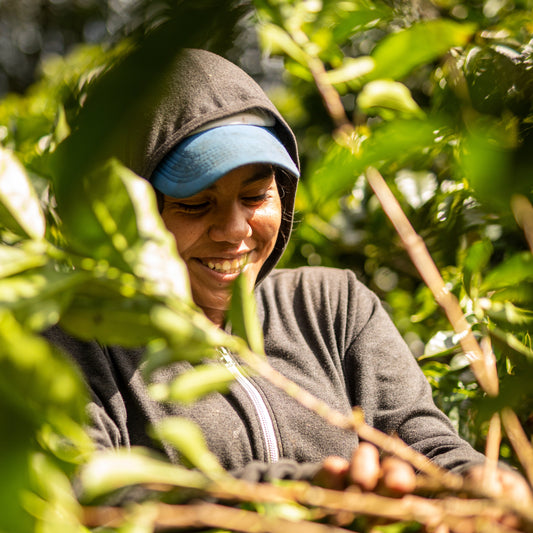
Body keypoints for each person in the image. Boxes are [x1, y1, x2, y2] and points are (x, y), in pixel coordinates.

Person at [44, 48, 531, 500]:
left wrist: (480, 484)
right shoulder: (79, 343)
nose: (235, 231)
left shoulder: (332, 306)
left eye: (256, 196)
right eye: (195, 205)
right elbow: (97, 501)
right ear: (133, 216)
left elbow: (424, 444)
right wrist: (302, 491)